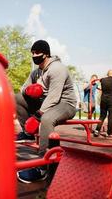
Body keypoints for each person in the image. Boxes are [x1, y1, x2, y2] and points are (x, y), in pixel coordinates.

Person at [15, 40, 77, 183]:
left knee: (47, 119)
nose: (34, 55)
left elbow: (54, 97)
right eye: (32, 53)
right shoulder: (36, 72)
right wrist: (30, 90)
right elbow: (23, 88)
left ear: (46, 54)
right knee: (16, 98)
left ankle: (43, 167)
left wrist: (37, 116)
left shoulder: (57, 69)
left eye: (37, 53)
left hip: (65, 103)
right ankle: (28, 133)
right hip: (46, 102)